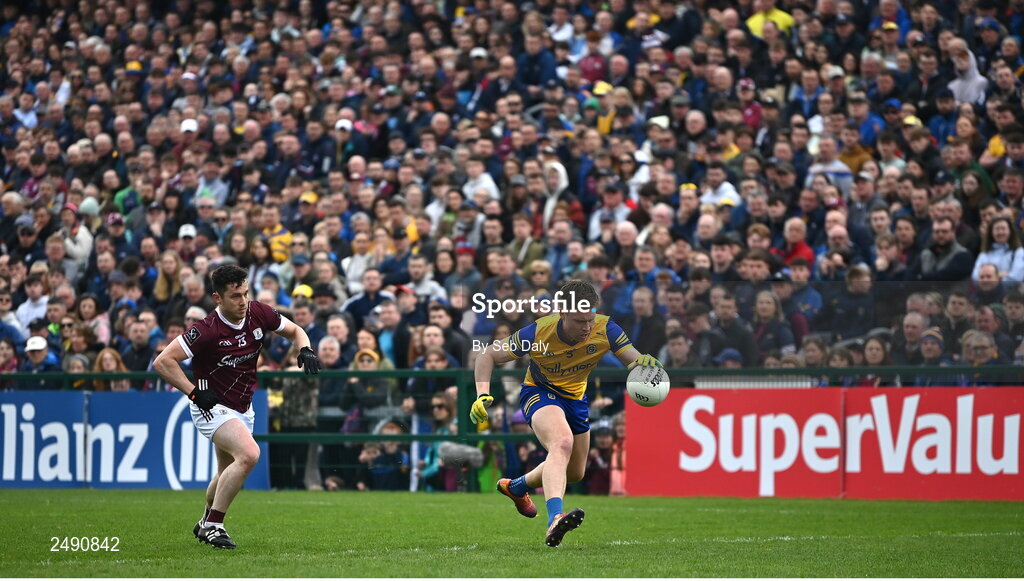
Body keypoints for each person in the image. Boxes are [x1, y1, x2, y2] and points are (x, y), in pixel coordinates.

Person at [470, 279, 662, 547]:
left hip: (576, 399)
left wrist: (646, 365)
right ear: (561, 311)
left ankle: (516, 487)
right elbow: (487, 356)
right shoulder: (538, 333)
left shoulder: (605, 328)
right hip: (539, 392)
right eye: (579, 321)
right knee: (562, 443)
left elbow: (633, 359)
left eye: (589, 319)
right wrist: (482, 394)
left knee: (574, 472)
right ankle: (554, 519)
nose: (586, 327)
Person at [153, 264, 321, 549]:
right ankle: (215, 525)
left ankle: (205, 519)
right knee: (250, 453)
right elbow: (163, 362)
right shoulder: (206, 330)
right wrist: (194, 393)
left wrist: (305, 349)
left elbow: (295, 330)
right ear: (217, 297)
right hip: (212, 406)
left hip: (243, 406)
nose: (243, 301)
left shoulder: (258, 312)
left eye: (245, 293)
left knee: (225, 472)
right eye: (235, 296)